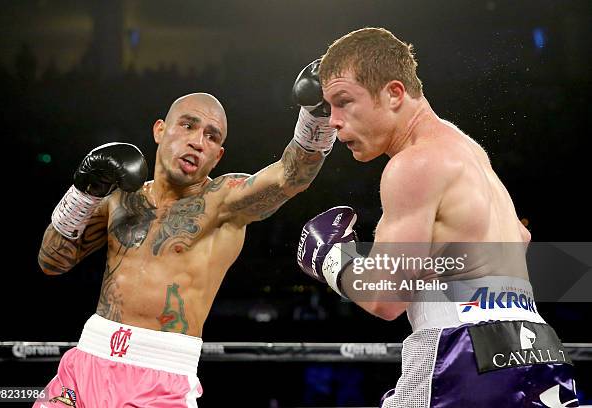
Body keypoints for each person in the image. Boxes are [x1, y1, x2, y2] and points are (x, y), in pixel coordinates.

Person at [296, 28, 579, 407]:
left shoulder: (413, 164)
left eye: (344, 102)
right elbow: (518, 239)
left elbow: (386, 298)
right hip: (540, 352)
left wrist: (334, 260)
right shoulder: (467, 150)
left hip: (461, 354)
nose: (333, 120)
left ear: (394, 93)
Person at [35, 67, 337, 407]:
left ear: (218, 155)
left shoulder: (224, 201)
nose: (197, 141)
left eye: (212, 136)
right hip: (86, 360)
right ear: (159, 130)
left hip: (159, 377)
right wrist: (83, 192)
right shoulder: (120, 197)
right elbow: (51, 261)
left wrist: (317, 114)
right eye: (188, 125)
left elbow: (290, 176)